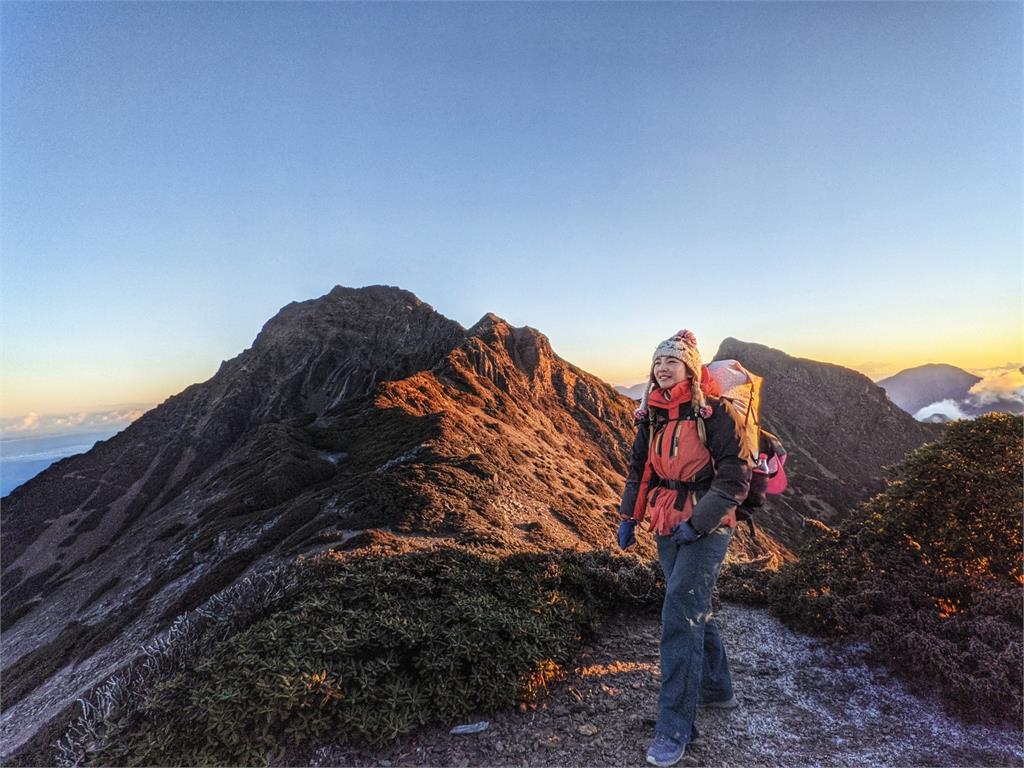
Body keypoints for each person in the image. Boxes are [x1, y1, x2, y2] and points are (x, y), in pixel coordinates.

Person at [616, 329, 752, 767]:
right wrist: (627, 518)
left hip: (705, 525)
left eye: (671, 361)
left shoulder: (716, 414)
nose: (662, 368)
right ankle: (718, 689)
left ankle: (675, 726)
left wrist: (699, 523)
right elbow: (640, 469)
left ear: (690, 368)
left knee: (679, 613)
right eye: (658, 362)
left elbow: (735, 477)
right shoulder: (651, 414)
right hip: (665, 522)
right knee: (693, 606)